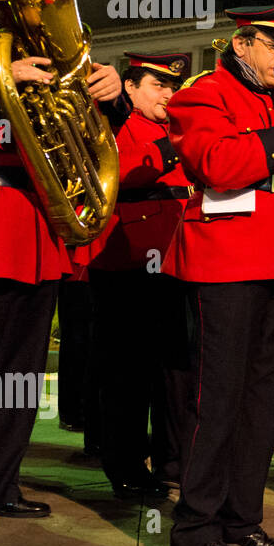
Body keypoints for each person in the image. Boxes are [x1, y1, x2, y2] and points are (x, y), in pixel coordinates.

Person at [160, 3, 274, 546]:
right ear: (242, 45)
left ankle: (242, 520)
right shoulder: (202, 92)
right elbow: (215, 163)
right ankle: (195, 528)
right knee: (220, 398)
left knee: (263, 401)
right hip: (227, 259)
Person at [0, 0, 121, 546]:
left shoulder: (39, 48)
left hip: (34, 240)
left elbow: (84, 138)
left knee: (6, 413)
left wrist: (105, 95)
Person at [88, 51, 195, 499]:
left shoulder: (176, 127)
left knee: (173, 368)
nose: (169, 94)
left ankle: (172, 458)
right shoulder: (114, 121)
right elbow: (120, 171)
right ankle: (126, 467)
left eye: (173, 87)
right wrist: (173, 147)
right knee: (127, 373)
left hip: (175, 258)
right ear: (129, 87)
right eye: (158, 85)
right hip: (129, 257)